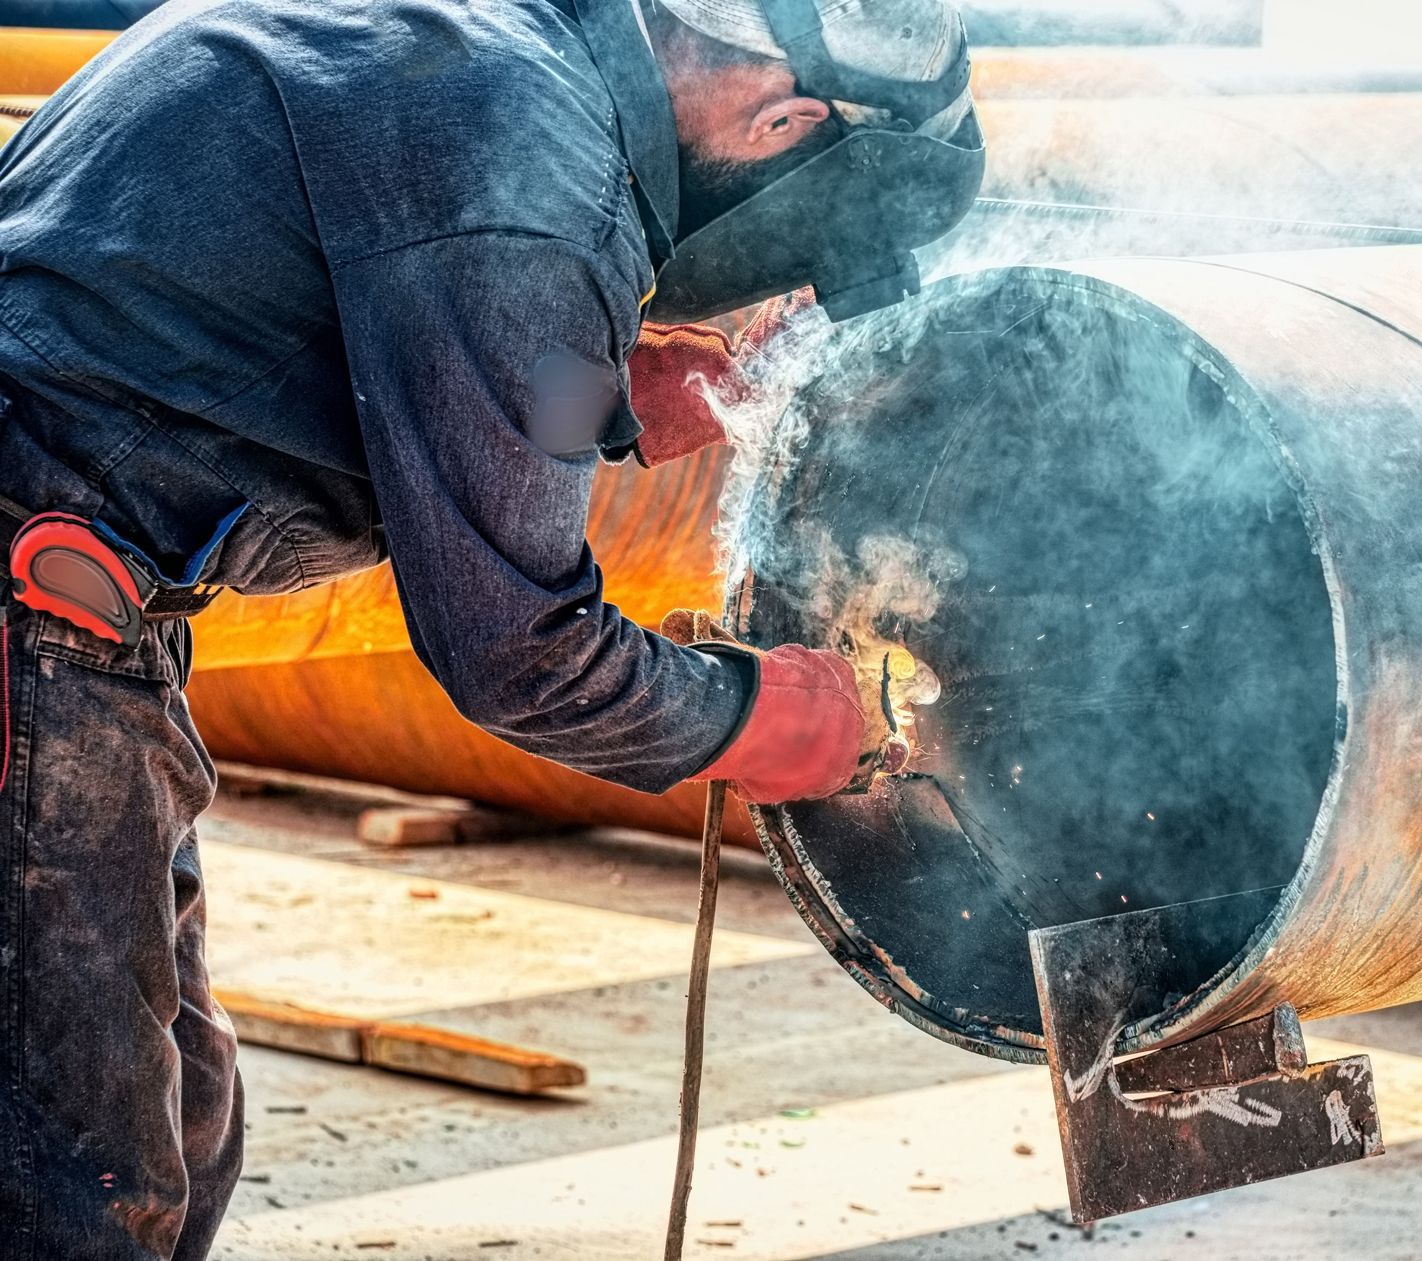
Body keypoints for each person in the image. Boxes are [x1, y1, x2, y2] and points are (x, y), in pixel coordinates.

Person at [0, 0, 982, 1254]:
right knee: (74, 1189)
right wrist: (769, 716)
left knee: (176, 1123)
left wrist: (602, 391)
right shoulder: (531, 172)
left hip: (83, 620)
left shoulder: (481, 51)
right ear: (786, 118)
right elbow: (521, 652)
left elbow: (283, 293)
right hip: (38, 622)